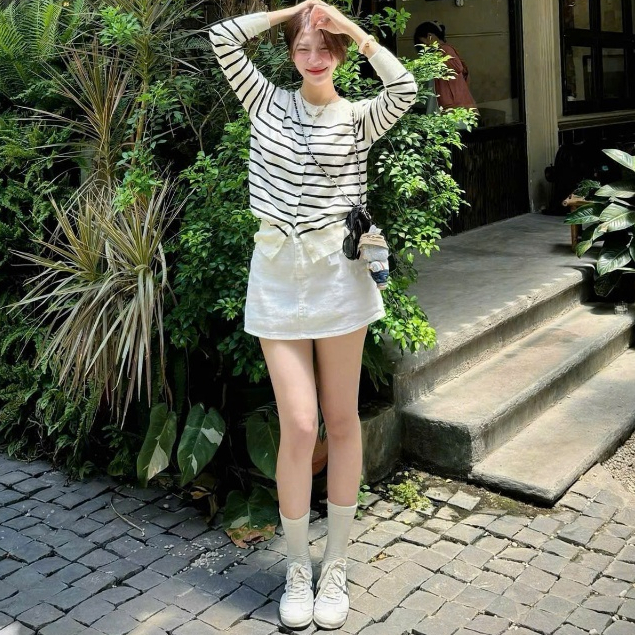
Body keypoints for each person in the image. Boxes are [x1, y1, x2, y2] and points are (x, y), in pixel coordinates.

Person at [209, 1, 417, 629]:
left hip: (338, 277)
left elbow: (405, 88)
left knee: (341, 420)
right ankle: (297, 565)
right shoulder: (265, 102)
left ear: (340, 54)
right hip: (276, 276)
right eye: (303, 47)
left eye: (324, 48)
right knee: (300, 427)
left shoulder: (357, 117)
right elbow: (222, 38)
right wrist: (294, 13)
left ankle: (338, 564)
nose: (314, 57)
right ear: (291, 54)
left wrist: (349, 27)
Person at [414, 20, 477, 111]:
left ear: (429, 37)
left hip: (453, 103)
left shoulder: (445, 49)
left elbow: (458, 67)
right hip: (450, 102)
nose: (424, 46)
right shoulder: (439, 51)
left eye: (423, 43)